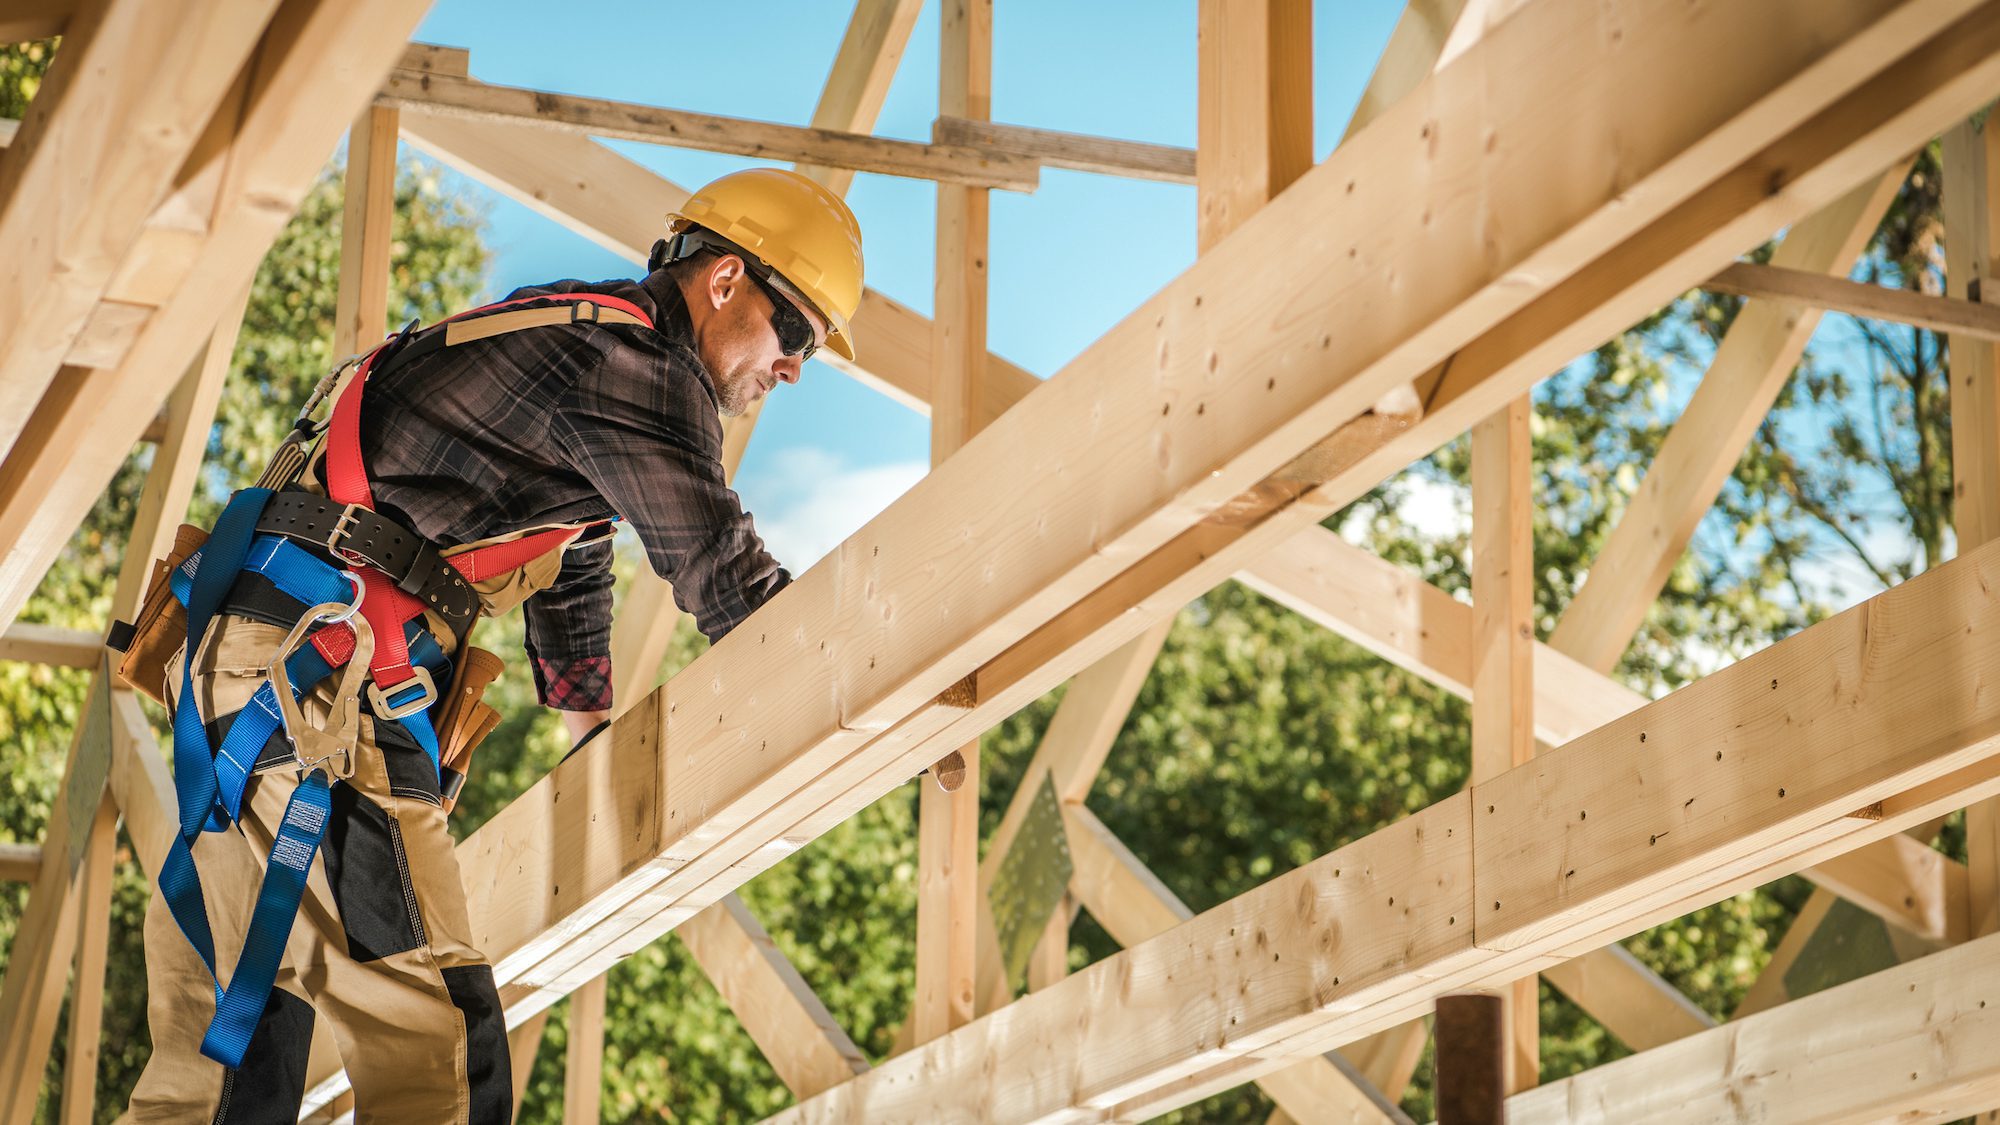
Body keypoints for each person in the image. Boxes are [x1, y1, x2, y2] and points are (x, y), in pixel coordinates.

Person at [124, 167, 863, 1123]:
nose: (794, 366)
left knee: (234, 1049)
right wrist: (878, 668)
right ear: (725, 281)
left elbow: (578, 552)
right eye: (794, 331)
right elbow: (725, 574)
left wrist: (590, 731)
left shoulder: (568, 333)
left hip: (252, 669)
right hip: (319, 687)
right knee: (438, 1039)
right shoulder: (640, 370)